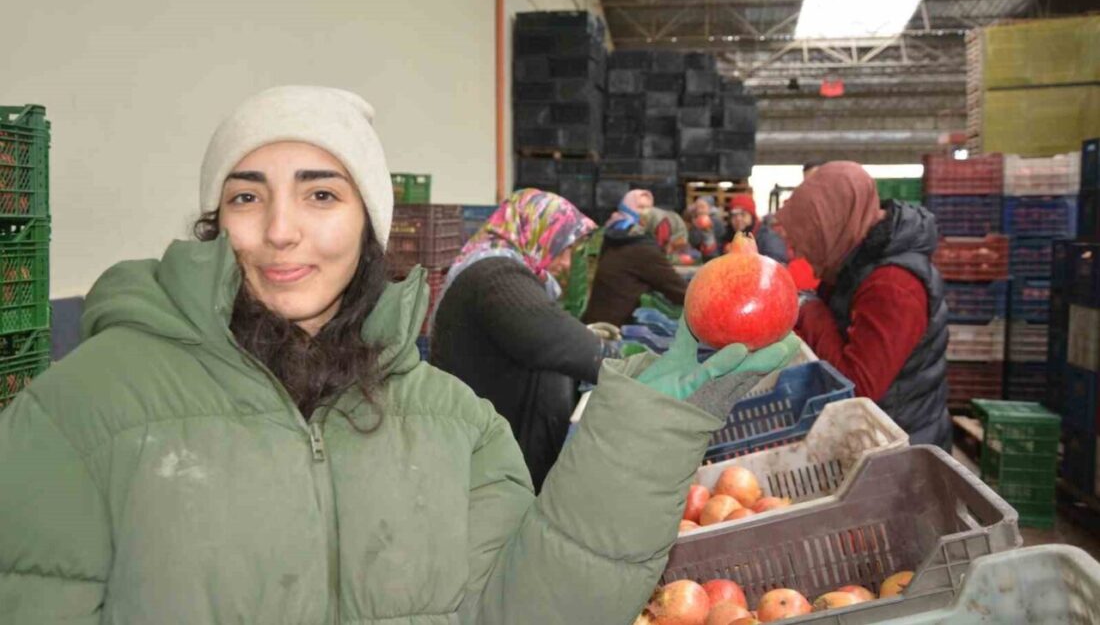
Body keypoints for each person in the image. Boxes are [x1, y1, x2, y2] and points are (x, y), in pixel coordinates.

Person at [0, 86, 799, 624]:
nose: (281, 229)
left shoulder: (457, 427)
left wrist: (645, 437)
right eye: (247, 196)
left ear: (370, 226)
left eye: (321, 194)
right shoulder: (78, 416)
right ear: (216, 222)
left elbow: (525, 609)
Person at [431, 188, 612, 491]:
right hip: (491, 468)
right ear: (535, 232)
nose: (567, 263)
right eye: (562, 247)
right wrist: (627, 364)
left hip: (500, 454)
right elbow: (555, 340)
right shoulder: (496, 275)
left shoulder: (500, 268)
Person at [777, 161, 950, 449]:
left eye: (807, 239)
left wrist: (809, 307)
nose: (799, 252)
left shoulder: (893, 285)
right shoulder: (853, 260)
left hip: (897, 447)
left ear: (831, 225)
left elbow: (858, 387)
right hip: (875, 435)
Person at [583, 205, 689, 328]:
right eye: (673, 245)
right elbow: (681, 292)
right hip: (610, 331)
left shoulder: (625, 241)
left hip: (596, 323)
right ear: (664, 232)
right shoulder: (644, 252)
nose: (671, 251)